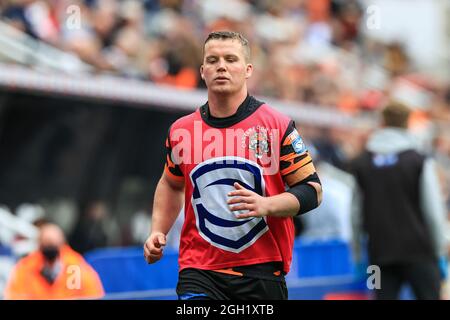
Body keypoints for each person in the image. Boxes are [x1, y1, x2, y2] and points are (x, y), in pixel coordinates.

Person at [143, 31, 322, 300]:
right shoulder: (182, 130)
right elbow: (171, 182)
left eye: (230, 59)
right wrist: (157, 230)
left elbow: (312, 190)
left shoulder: (276, 125)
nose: (221, 66)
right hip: (199, 269)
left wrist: (267, 205)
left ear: (248, 69)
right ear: (202, 71)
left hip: (261, 271)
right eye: (213, 60)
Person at [350, 102, 448, 300]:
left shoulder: (362, 163)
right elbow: (433, 212)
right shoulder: (419, 161)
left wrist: (359, 255)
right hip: (420, 253)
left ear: (383, 123)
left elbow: (355, 215)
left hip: (378, 256)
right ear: (407, 124)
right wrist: (439, 252)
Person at [4, 222, 105, 300]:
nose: (50, 247)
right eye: (47, 242)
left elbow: (93, 294)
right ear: (39, 244)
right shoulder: (25, 268)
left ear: (62, 243)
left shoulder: (77, 267)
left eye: (53, 243)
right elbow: (14, 295)